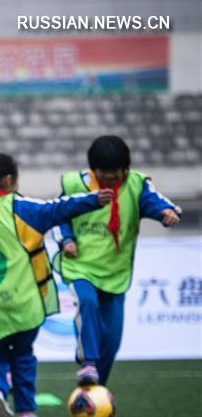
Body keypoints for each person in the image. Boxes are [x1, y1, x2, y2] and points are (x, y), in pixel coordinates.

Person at [0, 153, 112, 417]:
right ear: (10, 179)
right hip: (25, 301)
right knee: (24, 356)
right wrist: (92, 199)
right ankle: (26, 415)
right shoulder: (20, 207)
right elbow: (57, 208)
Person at [54, 135, 181, 387]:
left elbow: (156, 203)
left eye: (116, 171)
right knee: (87, 303)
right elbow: (59, 214)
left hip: (116, 272)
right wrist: (66, 239)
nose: (111, 177)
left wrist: (166, 213)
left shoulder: (136, 184)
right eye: (104, 171)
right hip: (80, 266)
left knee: (112, 340)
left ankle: (96, 391)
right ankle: (88, 363)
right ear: (94, 168)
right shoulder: (75, 184)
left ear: (125, 167)